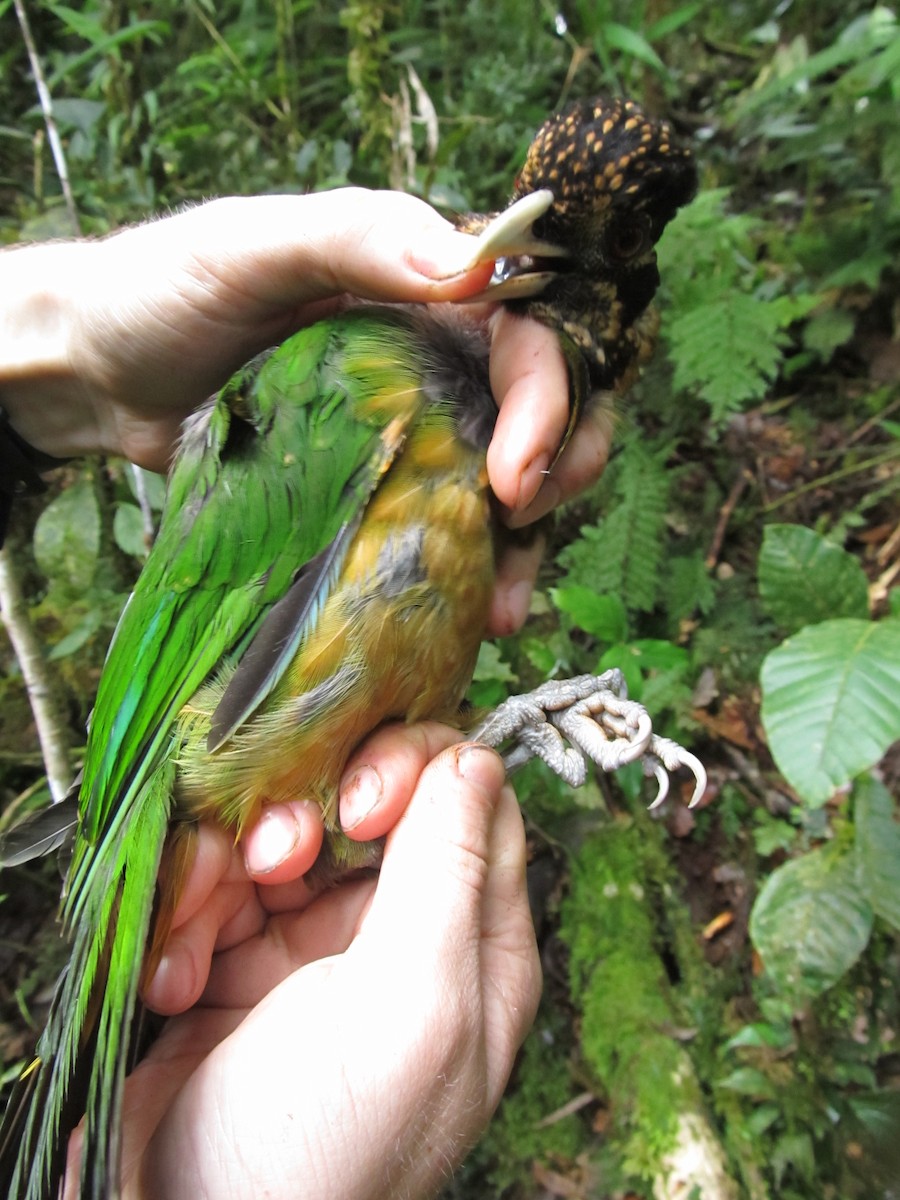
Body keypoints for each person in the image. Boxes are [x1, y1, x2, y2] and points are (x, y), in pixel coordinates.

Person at [1, 189, 613, 1198]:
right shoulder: (351, 377)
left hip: (262, 807)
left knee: (339, 828)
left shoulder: (483, 452)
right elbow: (209, 700)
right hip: (187, 763)